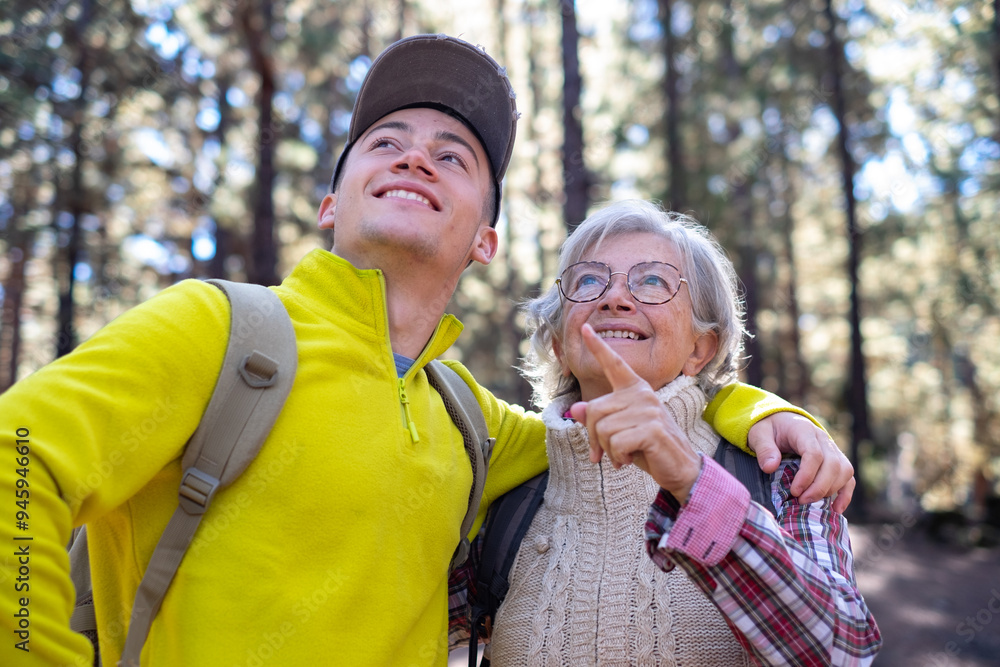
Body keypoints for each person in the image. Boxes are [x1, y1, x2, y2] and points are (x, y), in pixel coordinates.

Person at [0, 38, 851, 666]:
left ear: (484, 239)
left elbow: (598, 418)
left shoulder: (470, 422)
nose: (417, 154)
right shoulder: (218, 329)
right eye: (386, 141)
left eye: (454, 155)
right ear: (332, 203)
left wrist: (752, 407)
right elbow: (18, 458)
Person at [465, 200, 880, 666]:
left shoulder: (781, 474)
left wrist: (690, 479)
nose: (614, 298)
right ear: (560, 343)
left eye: (652, 281)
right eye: (588, 280)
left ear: (700, 348)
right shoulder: (507, 497)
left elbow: (844, 653)